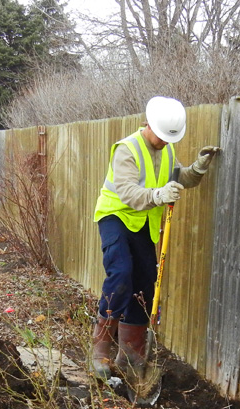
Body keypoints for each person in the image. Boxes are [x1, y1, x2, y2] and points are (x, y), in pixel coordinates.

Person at [90, 96, 220, 380]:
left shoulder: (167, 151)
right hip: (116, 216)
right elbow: (126, 191)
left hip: (145, 222)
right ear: (148, 123)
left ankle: (131, 353)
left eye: (167, 138)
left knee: (145, 286)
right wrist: (158, 195)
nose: (163, 141)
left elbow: (178, 177)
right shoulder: (127, 149)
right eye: (160, 136)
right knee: (121, 274)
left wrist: (197, 168)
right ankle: (101, 346)